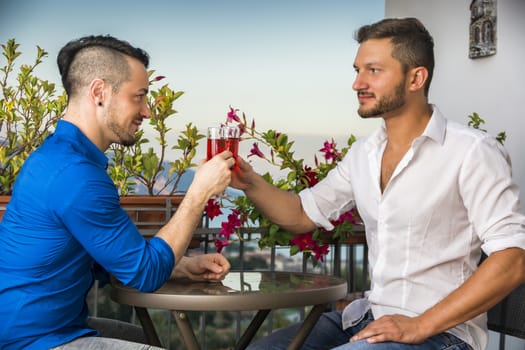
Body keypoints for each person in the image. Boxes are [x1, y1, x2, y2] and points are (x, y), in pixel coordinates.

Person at [231, 17, 525, 350]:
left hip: (441, 335)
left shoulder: (472, 151)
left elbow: (512, 258)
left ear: (416, 77)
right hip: (369, 318)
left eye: (373, 71)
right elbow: (301, 213)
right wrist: (249, 182)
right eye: (357, 70)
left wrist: (420, 325)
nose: (357, 83)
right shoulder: (364, 154)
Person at [0, 35, 235, 349]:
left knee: (143, 338)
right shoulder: (75, 175)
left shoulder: (59, 158)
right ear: (99, 92)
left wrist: (180, 267)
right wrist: (199, 192)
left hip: (44, 327)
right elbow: (145, 275)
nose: (148, 111)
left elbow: (111, 259)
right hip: (32, 340)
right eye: (138, 96)